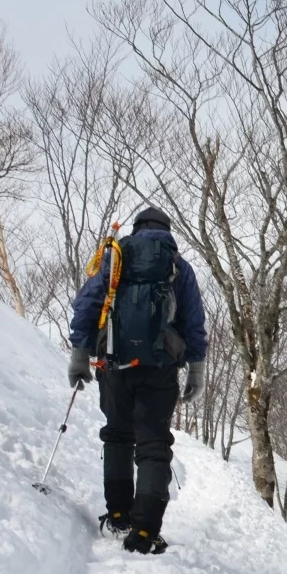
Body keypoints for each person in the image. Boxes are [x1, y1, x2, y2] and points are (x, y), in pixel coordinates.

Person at [67, 206, 208, 554]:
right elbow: (194, 323)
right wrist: (196, 369)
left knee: (117, 435)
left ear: (137, 228)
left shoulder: (115, 259)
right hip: (159, 370)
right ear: (167, 231)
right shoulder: (178, 268)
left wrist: (80, 355)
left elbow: (87, 304)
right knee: (152, 445)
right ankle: (144, 533)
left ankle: (118, 514)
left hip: (114, 366)